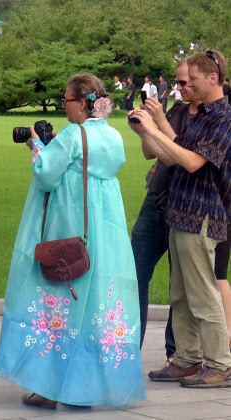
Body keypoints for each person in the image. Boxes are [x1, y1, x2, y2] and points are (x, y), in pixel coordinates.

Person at [0, 73, 146, 408]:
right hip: (104, 231)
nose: (65, 106)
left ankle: (49, 388)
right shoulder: (114, 136)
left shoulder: (72, 136)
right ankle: (87, 388)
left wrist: (36, 144)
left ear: (81, 103)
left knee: (59, 297)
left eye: (66, 100)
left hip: (69, 226)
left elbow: (46, 174)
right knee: (94, 303)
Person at [129, 50, 231, 388]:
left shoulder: (222, 117)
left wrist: (156, 128)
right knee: (181, 295)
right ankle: (186, 360)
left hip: (202, 214)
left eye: (194, 80)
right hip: (179, 212)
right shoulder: (200, 114)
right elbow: (171, 154)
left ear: (212, 78)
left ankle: (219, 365)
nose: (187, 86)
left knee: (203, 295)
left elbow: (191, 162)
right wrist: (144, 130)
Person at [131, 60, 198, 365]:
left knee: (179, 286)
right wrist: (142, 128)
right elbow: (152, 152)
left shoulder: (210, 116)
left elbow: (180, 157)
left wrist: (158, 121)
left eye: (185, 82)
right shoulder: (177, 109)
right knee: (133, 275)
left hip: (185, 208)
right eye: (178, 82)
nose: (180, 88)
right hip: (155, 200)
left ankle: (176, 355)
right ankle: (127, 348)